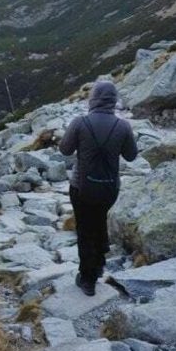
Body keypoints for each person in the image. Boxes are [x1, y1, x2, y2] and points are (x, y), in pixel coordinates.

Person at [59, 81, 137, 296]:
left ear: (92, 99)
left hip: (81, 187)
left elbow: (65, 150)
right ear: (114, 101)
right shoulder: (123, 126)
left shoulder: (79, 122)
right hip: (109, 188)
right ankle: (100, 260)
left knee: (85, 230)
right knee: (100, 220)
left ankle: (87, 279)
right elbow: (131, 156)